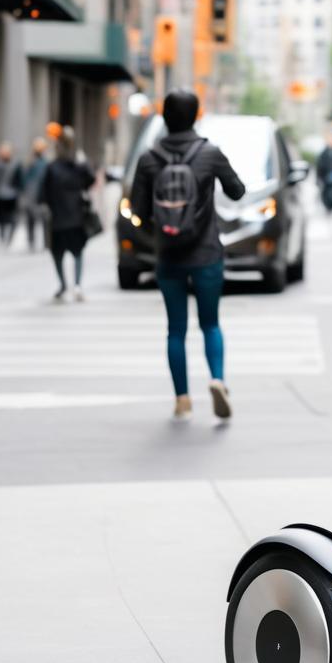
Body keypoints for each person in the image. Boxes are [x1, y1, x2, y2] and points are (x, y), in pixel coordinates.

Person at [131, 89, 245, 420]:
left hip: (168, 256)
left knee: (175, 329)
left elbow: (137, 210)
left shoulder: (149, 158)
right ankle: (217, 380)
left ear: (165, 117)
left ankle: (182, 399)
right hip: (207, 251)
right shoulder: (210, 153)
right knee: (210, 323)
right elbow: (237, 192)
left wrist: (160, 226)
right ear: (196, 116)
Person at [40, 128, 95, 303]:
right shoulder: (71, 166)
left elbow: (44, 194)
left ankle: (68, 284)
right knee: (71, 253)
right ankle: (72, 284)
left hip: (63, 218)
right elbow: (90, 180)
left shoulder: (59, 166)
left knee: (63, 253)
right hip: (70, 217)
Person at [0, 141, 22, 248]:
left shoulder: (16, 165)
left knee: (11, 219)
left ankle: (8, 239)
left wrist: (17, 192)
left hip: (11, 196)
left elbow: (19, 181)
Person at [20, 137, 50, 251]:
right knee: (31, 220)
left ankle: (45, 243)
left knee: (43, 220)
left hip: (40, 195)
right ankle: (32, 241)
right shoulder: (31, 162)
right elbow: (24, 179)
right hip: (32, 195)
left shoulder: (45, 163)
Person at [315, 134, 332, 214]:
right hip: (325, 176)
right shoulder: (324, 153)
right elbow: (320, 165)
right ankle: (327, 205)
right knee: (325, 192)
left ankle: (331, 205)